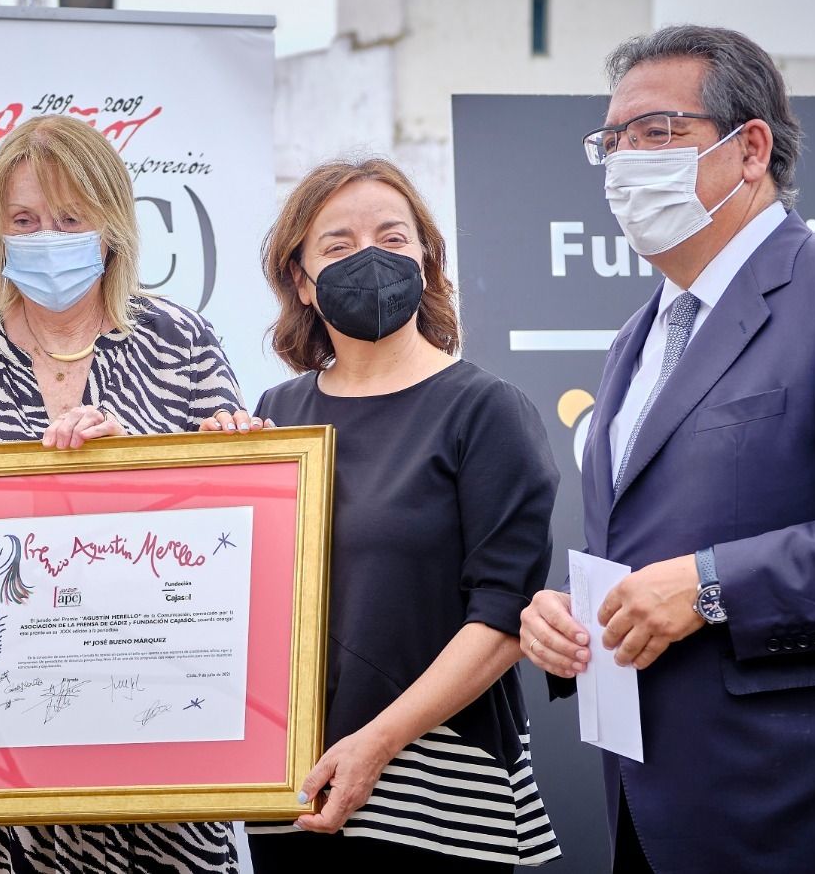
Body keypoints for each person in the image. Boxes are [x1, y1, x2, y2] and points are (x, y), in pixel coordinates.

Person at [518, 24, 815, 873]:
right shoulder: (638, 335)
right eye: (613, 141)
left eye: (658, 132)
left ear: (751, 150)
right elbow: (645, 550)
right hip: (650, 804)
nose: (627, 161)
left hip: (803, 804)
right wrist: (573, 621)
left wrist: (709, 588)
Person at [0, 114, 245, 873]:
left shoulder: (184, 344)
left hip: (158, 774)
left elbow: (231, 530)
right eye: (25, 220)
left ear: (113, 226)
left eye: (69, 219)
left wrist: (135, 465)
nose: (46, 237)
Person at [212, 158, 562, 871]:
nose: (369, 258)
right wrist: (219, 494)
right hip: (296, 791)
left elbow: (501, 618)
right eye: (337, 246)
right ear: (302, 282)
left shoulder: (486, 411)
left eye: (393, 239)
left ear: (428, 263)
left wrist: (377, 742)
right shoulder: (278, 415)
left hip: (433, 798)